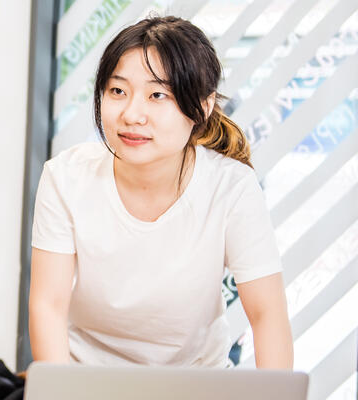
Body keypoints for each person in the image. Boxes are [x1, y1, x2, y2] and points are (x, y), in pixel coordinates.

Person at [29, 16, 293, 369]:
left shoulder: (231, 187)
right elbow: (48, 305)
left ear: (203, 105)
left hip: (198, 385)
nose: (132, 114)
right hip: (87, 381)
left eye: (157, 95)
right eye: (117, 91)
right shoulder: (65, 176)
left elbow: (267, 314)